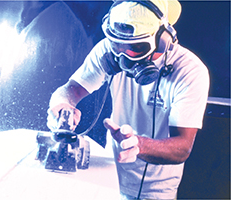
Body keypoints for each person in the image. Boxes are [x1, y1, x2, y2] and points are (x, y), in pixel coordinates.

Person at [46, 0, 209, 199]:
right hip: (107, 176)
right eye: (117, 44)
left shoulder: (191, 71)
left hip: (156, 191)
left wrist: (138, 144)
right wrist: (61, 105)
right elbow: (69, 91)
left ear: (162, 40)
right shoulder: (108, 52)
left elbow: (182, 148)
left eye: (135, 48)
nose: (123, 56)